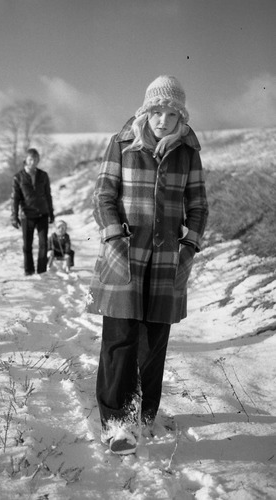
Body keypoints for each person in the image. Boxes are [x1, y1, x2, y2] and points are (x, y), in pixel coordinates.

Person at [86, 76, 209, 454]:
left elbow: (199, 205)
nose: (163, 120)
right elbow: (104, 195)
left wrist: (189, 246)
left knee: (154, 342)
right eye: (157, 111)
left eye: (172, 113)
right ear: (146, 110)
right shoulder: (122, 144)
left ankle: (144, 414)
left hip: (167, 262)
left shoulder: (188, 151)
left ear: (180, 117)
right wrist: (112, 237)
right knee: (120, 339)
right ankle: (117, 422)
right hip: (124, 255)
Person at [11, 148, 54, 275]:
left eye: (36, 159)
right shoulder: (18, 177)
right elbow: (15, 198)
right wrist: (14, 216)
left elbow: (48, 195)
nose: (33, 162)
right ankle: (29, 270)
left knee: (43, 244)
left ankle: (42, 271)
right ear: (26, 160)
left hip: (42, 213)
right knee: (27, 245)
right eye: (31, 159)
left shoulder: (43, 175)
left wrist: (51, 212)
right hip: (27, 215)